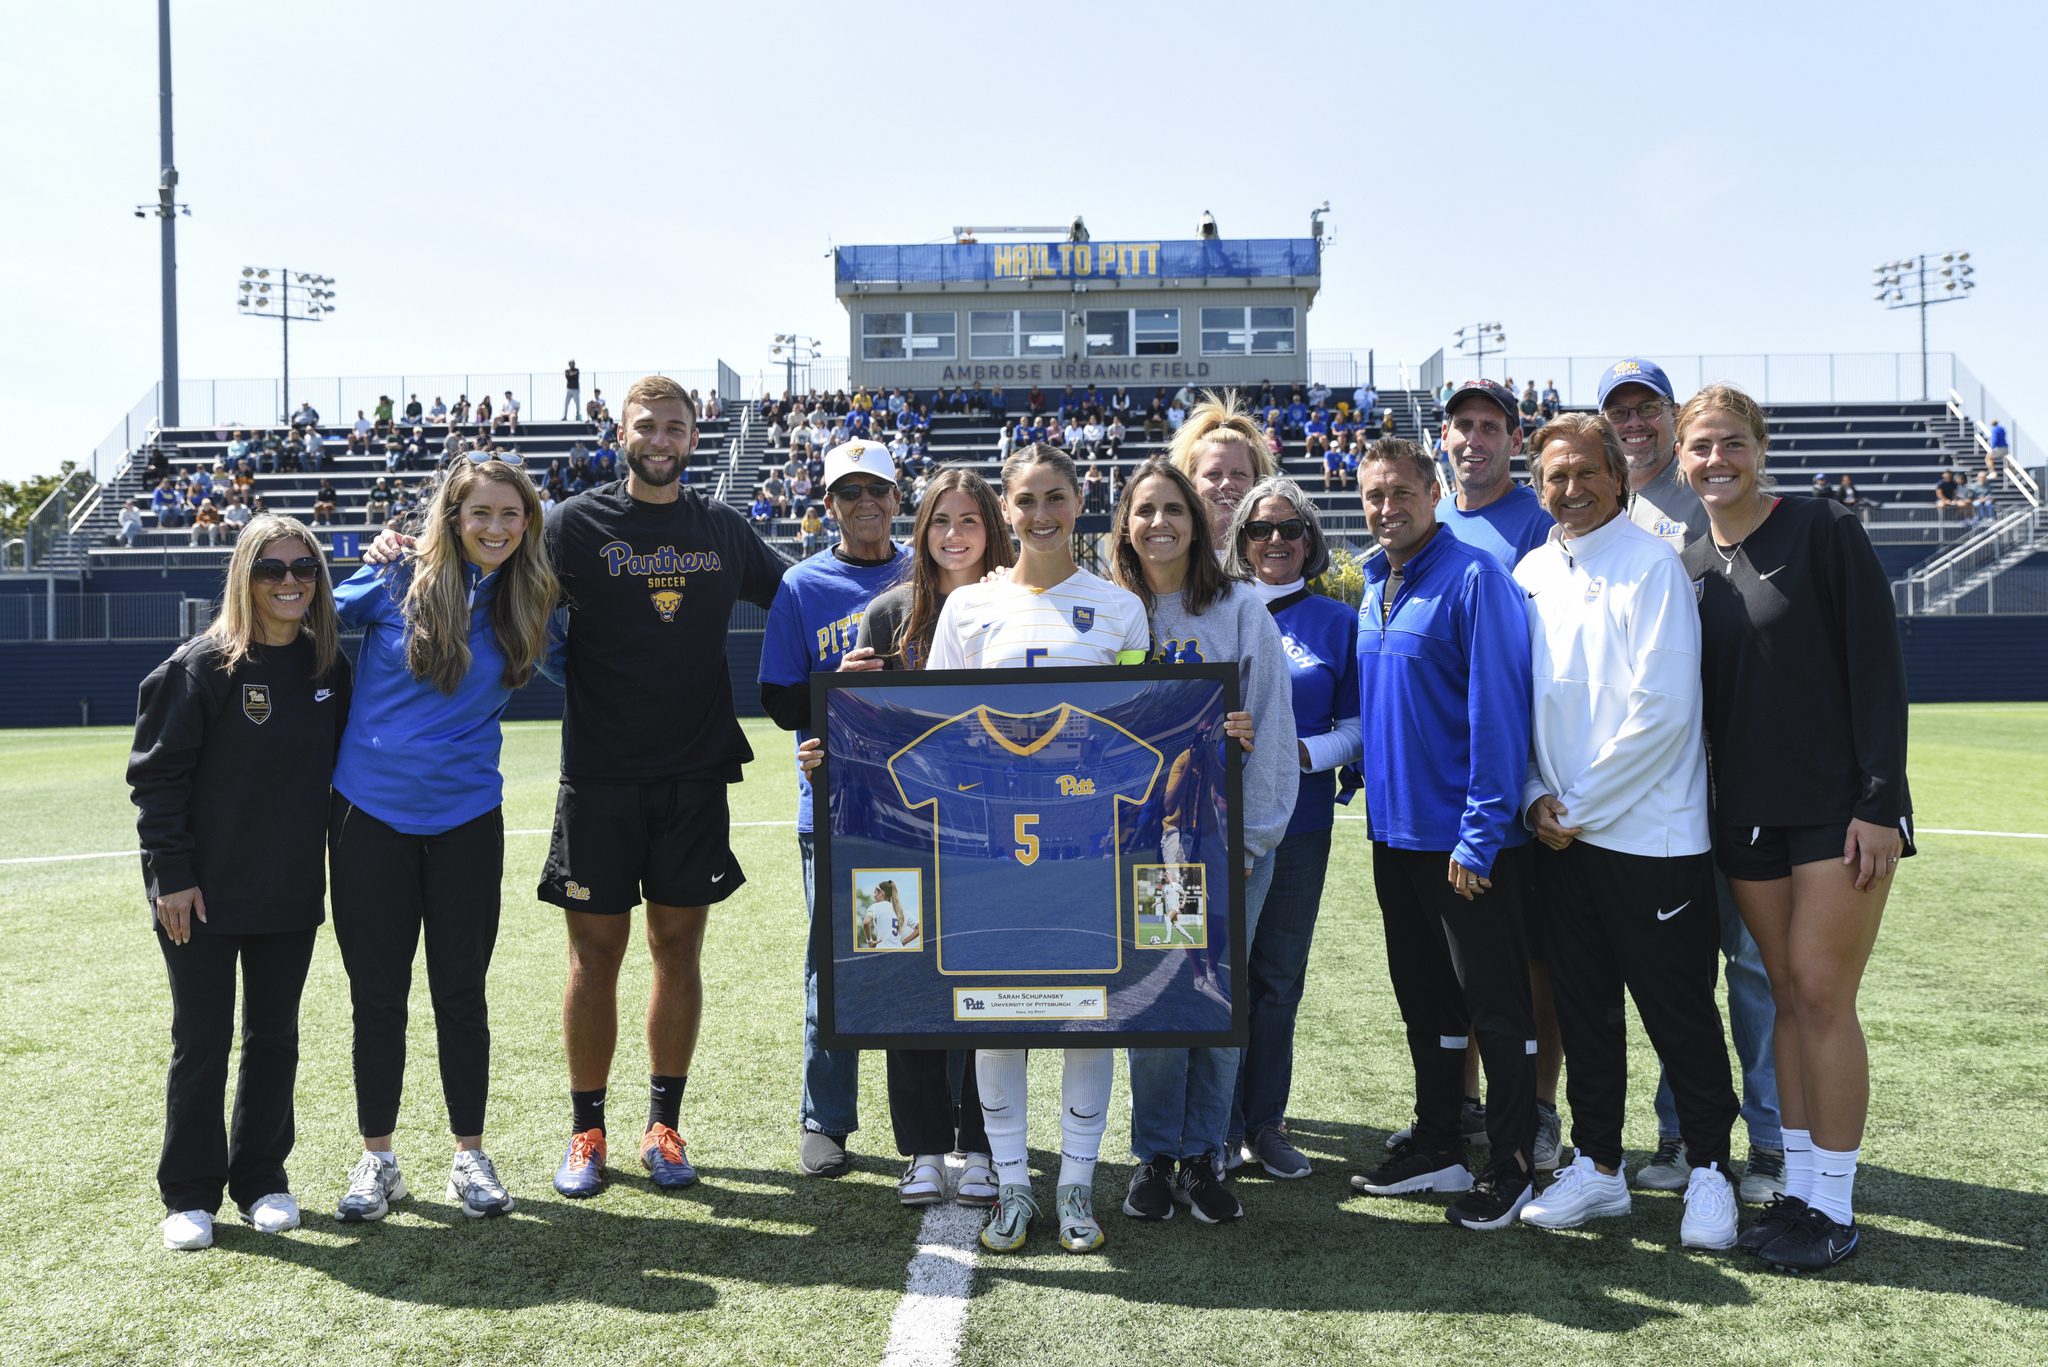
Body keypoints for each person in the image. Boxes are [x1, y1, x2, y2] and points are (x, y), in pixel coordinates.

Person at [367, 375, 788, 1199]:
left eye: (675, 427)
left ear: (694, 438)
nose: (660, 439)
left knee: (679, 951)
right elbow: (485, 564)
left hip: (696, 772)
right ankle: (586, 1129)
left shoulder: (724, 530)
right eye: (646, 426)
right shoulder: (571, 524)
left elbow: (803, 594)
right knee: (594, 957)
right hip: (597, 774)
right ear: (620, 433)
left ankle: (663, 1124)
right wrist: (398, 546)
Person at [1678, 385, 1912, 1273]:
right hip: (1742, 813)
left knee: (1821, 992)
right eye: (1700, 446)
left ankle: (1838, 1206)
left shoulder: (1823, 530)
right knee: (1781, 988)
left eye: (1731, 442)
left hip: (1838, 810)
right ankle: (1803, 1190)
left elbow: (1880, 668)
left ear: (1759, 448)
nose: (1714, 460)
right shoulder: (1692, 561)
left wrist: (1880, 800)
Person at [1509, 414, 1742, 1249]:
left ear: (1619, 477)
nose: (1568, 489)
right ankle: (1600, 1168)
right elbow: (1522, 704)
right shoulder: (1531, 569)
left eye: (1583, 473)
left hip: (1651, 843)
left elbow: (1665, 711)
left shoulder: (1653, 566)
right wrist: (1537, 794)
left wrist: (1576, 807)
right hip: (1561, 837)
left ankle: (1711, 1169)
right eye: (1553, 475)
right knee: (1586, 1012)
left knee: (1678, 1013)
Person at [928, 444, 1152, 1255]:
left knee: (1089, 1017)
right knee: (998, 1014)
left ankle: (1079, 1185)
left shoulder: (1121, 609)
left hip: (1086, 846)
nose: (1042, 514)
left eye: (1055, 497)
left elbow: (1141, 720)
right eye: (1026, 501)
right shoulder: (966, 610)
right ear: (1006, 510)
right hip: (989, 847)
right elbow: (936, 728)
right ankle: (1016, 1184)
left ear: (1080, 498)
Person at [327, 456, 558, 1224]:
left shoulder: (530, 598)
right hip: (369, 817)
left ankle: (469, 1154)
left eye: (510, 514)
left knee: (461, 993)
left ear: (527, 523)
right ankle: (379, 1158)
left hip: (465, 822)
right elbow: (300, 615)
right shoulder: (395, 581)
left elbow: (603, 665)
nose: (495, 528)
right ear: (452, 517)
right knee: (378, 996)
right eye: (480, 513)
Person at [128, 516, 351, 1250]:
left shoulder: (328, 668)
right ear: (244, 577)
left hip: (288, 889)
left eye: (304, 568)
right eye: (271, 568)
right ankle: (189, 1193)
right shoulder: (200, 667)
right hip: (200, 893)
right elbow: (157, 779)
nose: (290, 581)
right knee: (202, 1036)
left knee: (274, 1036)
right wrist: (171, 875)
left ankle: (261, 1178)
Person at [1599, 358, 1786, 1199]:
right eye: (1620, 411)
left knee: (1750, 967)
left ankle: (1772, 1138)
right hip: (1654, 785)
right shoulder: (1600, 507)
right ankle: (1680, 1135)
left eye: (1647, 409)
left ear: (1671, 419)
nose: (1634, 423)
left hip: (1733, 772)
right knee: (1679, 969)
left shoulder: (1708, 503)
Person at [1347, 438, 1540, 1232]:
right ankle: (1439, 1142)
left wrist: (1481, 833)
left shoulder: (1474, 578)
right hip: (1392, 837)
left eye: (1400, 492)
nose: (1385, 507)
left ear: (1434, 492)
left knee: (1495, 1006)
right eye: (1372, 495)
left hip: (1462, 842)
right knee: (1424, 1000)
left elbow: (1500, 715)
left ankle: (1515, 1162)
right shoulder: (1372, 582)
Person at [822, 467, 1017, 1207]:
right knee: (906, 983)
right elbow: (857, 726)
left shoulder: (1019, 611)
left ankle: (984, 1142)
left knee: (988, 990)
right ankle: (924, 1147)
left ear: (992, 528)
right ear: (922, 530)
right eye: (941, 520)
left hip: (990, 835)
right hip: (897, 836)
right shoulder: (888, 613)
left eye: (969, 519)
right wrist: (831, 718)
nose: (954, 534)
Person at [1111, 458, 1296, 1227]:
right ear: (1125, 523)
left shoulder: (1242, 609)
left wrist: (1250, 839)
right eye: (1145, 510)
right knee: (1161, 1000)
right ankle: (1157, 1154)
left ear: (1198, 521)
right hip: (1154, 849)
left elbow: (1272, 727)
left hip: (1228, 844)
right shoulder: (1114, 614)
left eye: (1174, 509)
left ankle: (1206, 1154)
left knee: (1218, 1001)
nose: (1160, 523)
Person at [758, 439, 914, 1178]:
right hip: (837, 800)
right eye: (848, 492)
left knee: (931, 960)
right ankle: (826, 1118)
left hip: (930, 799)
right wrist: (837, 684)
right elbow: (779, 697)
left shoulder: (930, 570)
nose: (865, 503)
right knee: (838, 963)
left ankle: (942, 1117)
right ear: (828, 505)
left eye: (875, 489)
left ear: (896, 495)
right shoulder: (801, 584)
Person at [1430, 376, 1562, 1164]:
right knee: (1461, 962)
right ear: (1443, 438)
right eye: (1461, 425)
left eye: (1489, 425)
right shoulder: (1430, 519)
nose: (1473, 438)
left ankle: (1542, 1106)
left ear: (1514, 439)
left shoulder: (1542, 523)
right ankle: (1468, 1101)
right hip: (1451, 780)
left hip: (1530, 773)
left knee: (1533, 959)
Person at [1220, 477, 1359, 1179]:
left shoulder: (1336, 621)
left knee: (1276, 980)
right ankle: (1208, 1125)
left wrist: (1298, 753)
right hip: (1208, 824)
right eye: (1260, 529)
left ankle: (1263, 1122)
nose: (1276, 540)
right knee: (1214, 976)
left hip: (1298, 825)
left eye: (1291, 528)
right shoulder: (1218, 610)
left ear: (1311, 540)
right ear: (1239, 540)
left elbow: (1357, 728)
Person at [1168, 391, 1277, 549]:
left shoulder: (1280, 562)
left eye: (1239, 474)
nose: (1226, 484)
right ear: (1190, 481)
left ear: (1257, 481)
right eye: (1213, 474)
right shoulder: (1167, 561)